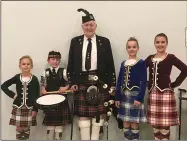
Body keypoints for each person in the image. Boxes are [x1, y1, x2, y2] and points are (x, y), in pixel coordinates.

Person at [67, 8, 116, 140]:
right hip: (81, 80)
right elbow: (70, 64)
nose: (89, 27)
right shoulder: (75, 42)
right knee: (83, 116)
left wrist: (112, 85)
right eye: (86, 25)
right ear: (82, 27)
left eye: (91, 25)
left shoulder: (104, 42)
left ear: (96, 26)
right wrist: (72, 82)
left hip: (100, 81)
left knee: (99, 114)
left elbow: (111, 65)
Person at [145, 33, 187, 140]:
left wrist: (174, 84)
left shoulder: (171, 57)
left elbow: (185, 69)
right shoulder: (150, 58)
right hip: (153, 94)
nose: (160, 44)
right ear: (154, 43)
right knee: (155, 125)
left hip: (166, 94)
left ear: (167, 43)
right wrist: (146, 83)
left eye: (163, 42)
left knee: (164, 125)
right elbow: (139, 71)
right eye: (157, 42)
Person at [115, 37, 147, 140]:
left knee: (134, 122)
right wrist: (117, 97)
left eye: (134, 47)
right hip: (124, 96)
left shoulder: (141, 63)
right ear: (126, 49)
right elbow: (119, 81)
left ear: (138, 48)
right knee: (125, 121)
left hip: (135, 96)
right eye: (129, 47)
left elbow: (143, 82)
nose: (131, 49)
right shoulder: (123, 63)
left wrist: (140, 98)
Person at [1, 55, 40, 140]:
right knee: (19, 127)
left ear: (32, 66)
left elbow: (37, 95)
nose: (26, 66)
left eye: (28, 64)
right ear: (20, 66)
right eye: (23, 64)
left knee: (26, 128)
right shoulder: (17, 77)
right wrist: (13, 95)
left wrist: (35, 109)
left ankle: (25, 139)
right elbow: (3, 86)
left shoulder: (35, 79)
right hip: (18, 107)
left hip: (30, 107)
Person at [40, 51, 71, 140]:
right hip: (49, 100)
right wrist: (43, 89)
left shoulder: (64, 71)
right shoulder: (45, 72)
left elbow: (70, 83)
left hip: (61, 100)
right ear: (48, 60)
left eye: (58, 60)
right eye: (53, 59)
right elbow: (43, 84)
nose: (55, 61)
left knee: (59, 126)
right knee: (50, 125)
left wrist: (65, 88)